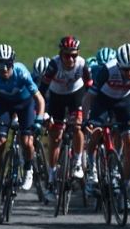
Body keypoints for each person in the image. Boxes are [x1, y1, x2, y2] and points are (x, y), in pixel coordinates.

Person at [0, 44, 46, 202]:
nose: (4, 69)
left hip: (25, 105)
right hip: (4, 105)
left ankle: (28, 169)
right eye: (0, 65)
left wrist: (39, 119)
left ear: (12, 63)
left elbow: (39, 99)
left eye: (7, 64)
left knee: (26, 142)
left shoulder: (21, 72)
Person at [39, 35, 92, 186]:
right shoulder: (54, 65)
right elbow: (41, 90)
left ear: (78, 54)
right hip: (57, 97)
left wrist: (89, 112)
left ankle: (77, 162)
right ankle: (52, 174)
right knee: (55, 137)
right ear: (61, 54)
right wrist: (43, 112)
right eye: (66, 55)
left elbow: (90, 90)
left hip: (76, 95)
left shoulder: (82, 64)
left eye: (73, 55)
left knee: (77, 126)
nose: (70, 59)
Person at [85, 45, 130, 191]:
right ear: (118, 65)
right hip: (103, 102)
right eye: (125, 70)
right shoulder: (107, 70)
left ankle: (123, 187)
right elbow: (89, 97)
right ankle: (92, 167)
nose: (129, 73)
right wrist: (86, 118)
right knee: (96, 132)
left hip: (124, 103)